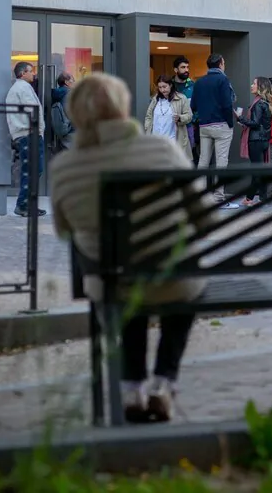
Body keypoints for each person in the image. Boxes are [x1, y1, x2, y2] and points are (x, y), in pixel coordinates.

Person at [50, 72, 215, 424]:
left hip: (111, 282)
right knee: (175, 282)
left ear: (77, 115)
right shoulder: (160, 149)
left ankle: (131, 387)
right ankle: (163, 380)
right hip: (173, 279)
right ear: (122, 107)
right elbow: (204, 217)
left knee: (127, 288)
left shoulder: (64, 167)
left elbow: (65, 231)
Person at [191, 53, 235, 205]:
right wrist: (230, 123)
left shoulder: (199, 82)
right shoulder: (223, 79)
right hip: (221, 124)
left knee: (203, 161)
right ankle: (218, 196)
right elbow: (227, 104)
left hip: (204, 126)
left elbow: (193, 106)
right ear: (221, 64)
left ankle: (200, 194)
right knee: (221, 162)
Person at [6, 62, 46, 218]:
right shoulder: (23, 88)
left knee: (31, 170)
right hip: (30, 134)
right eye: (31, 71)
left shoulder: (18, 89)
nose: (33, 74)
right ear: (23, 73)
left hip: (24, 134)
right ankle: (23, 204)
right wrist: (38, 130)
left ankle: (27, 204)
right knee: (33, 170)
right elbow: (32, 110)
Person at [236, 76, 272, 205]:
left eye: (254, 83)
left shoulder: (258, 104)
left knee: (256, 171)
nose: (251, 85)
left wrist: (240, 118)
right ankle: (263, 196)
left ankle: (249, 198)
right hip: (264, 140)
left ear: (260, 87)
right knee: (261, 170)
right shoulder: (266, 103)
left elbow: (255, 123)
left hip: (255, 140)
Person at [144, 75, 193, 160]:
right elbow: (148, 116)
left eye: (164, 86)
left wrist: (180, 118)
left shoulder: (181, 98)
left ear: (170, 85)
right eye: (160, 87)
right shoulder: (155, 99)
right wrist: (147, 128)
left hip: (173, 140)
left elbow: (189, 115)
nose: (162, 90)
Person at [172, 56, 199, 164]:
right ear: (176, 70)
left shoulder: (193, 86)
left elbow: (198, 106)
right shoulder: (169, 86)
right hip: (172, 127)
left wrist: (194, 121)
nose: (186, 70)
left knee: (189, 157)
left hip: (189, 127)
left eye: (187, 67)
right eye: (183, 67)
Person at [50, 72, 75, 152]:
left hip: (63, 131)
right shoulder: (70, 94)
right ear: (66, 82)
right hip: (71, 130)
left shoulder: (56, 94)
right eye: (73, 80)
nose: (74, 83)